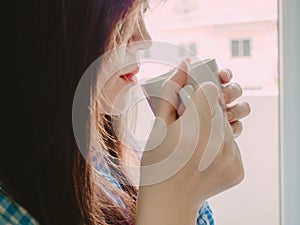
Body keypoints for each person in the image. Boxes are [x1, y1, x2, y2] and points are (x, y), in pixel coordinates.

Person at [2, 0, 250, 224]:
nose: (144, 39)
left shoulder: (104, 154)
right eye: (124, 19)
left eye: (142, 13)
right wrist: (174, 201)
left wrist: (187, 171)